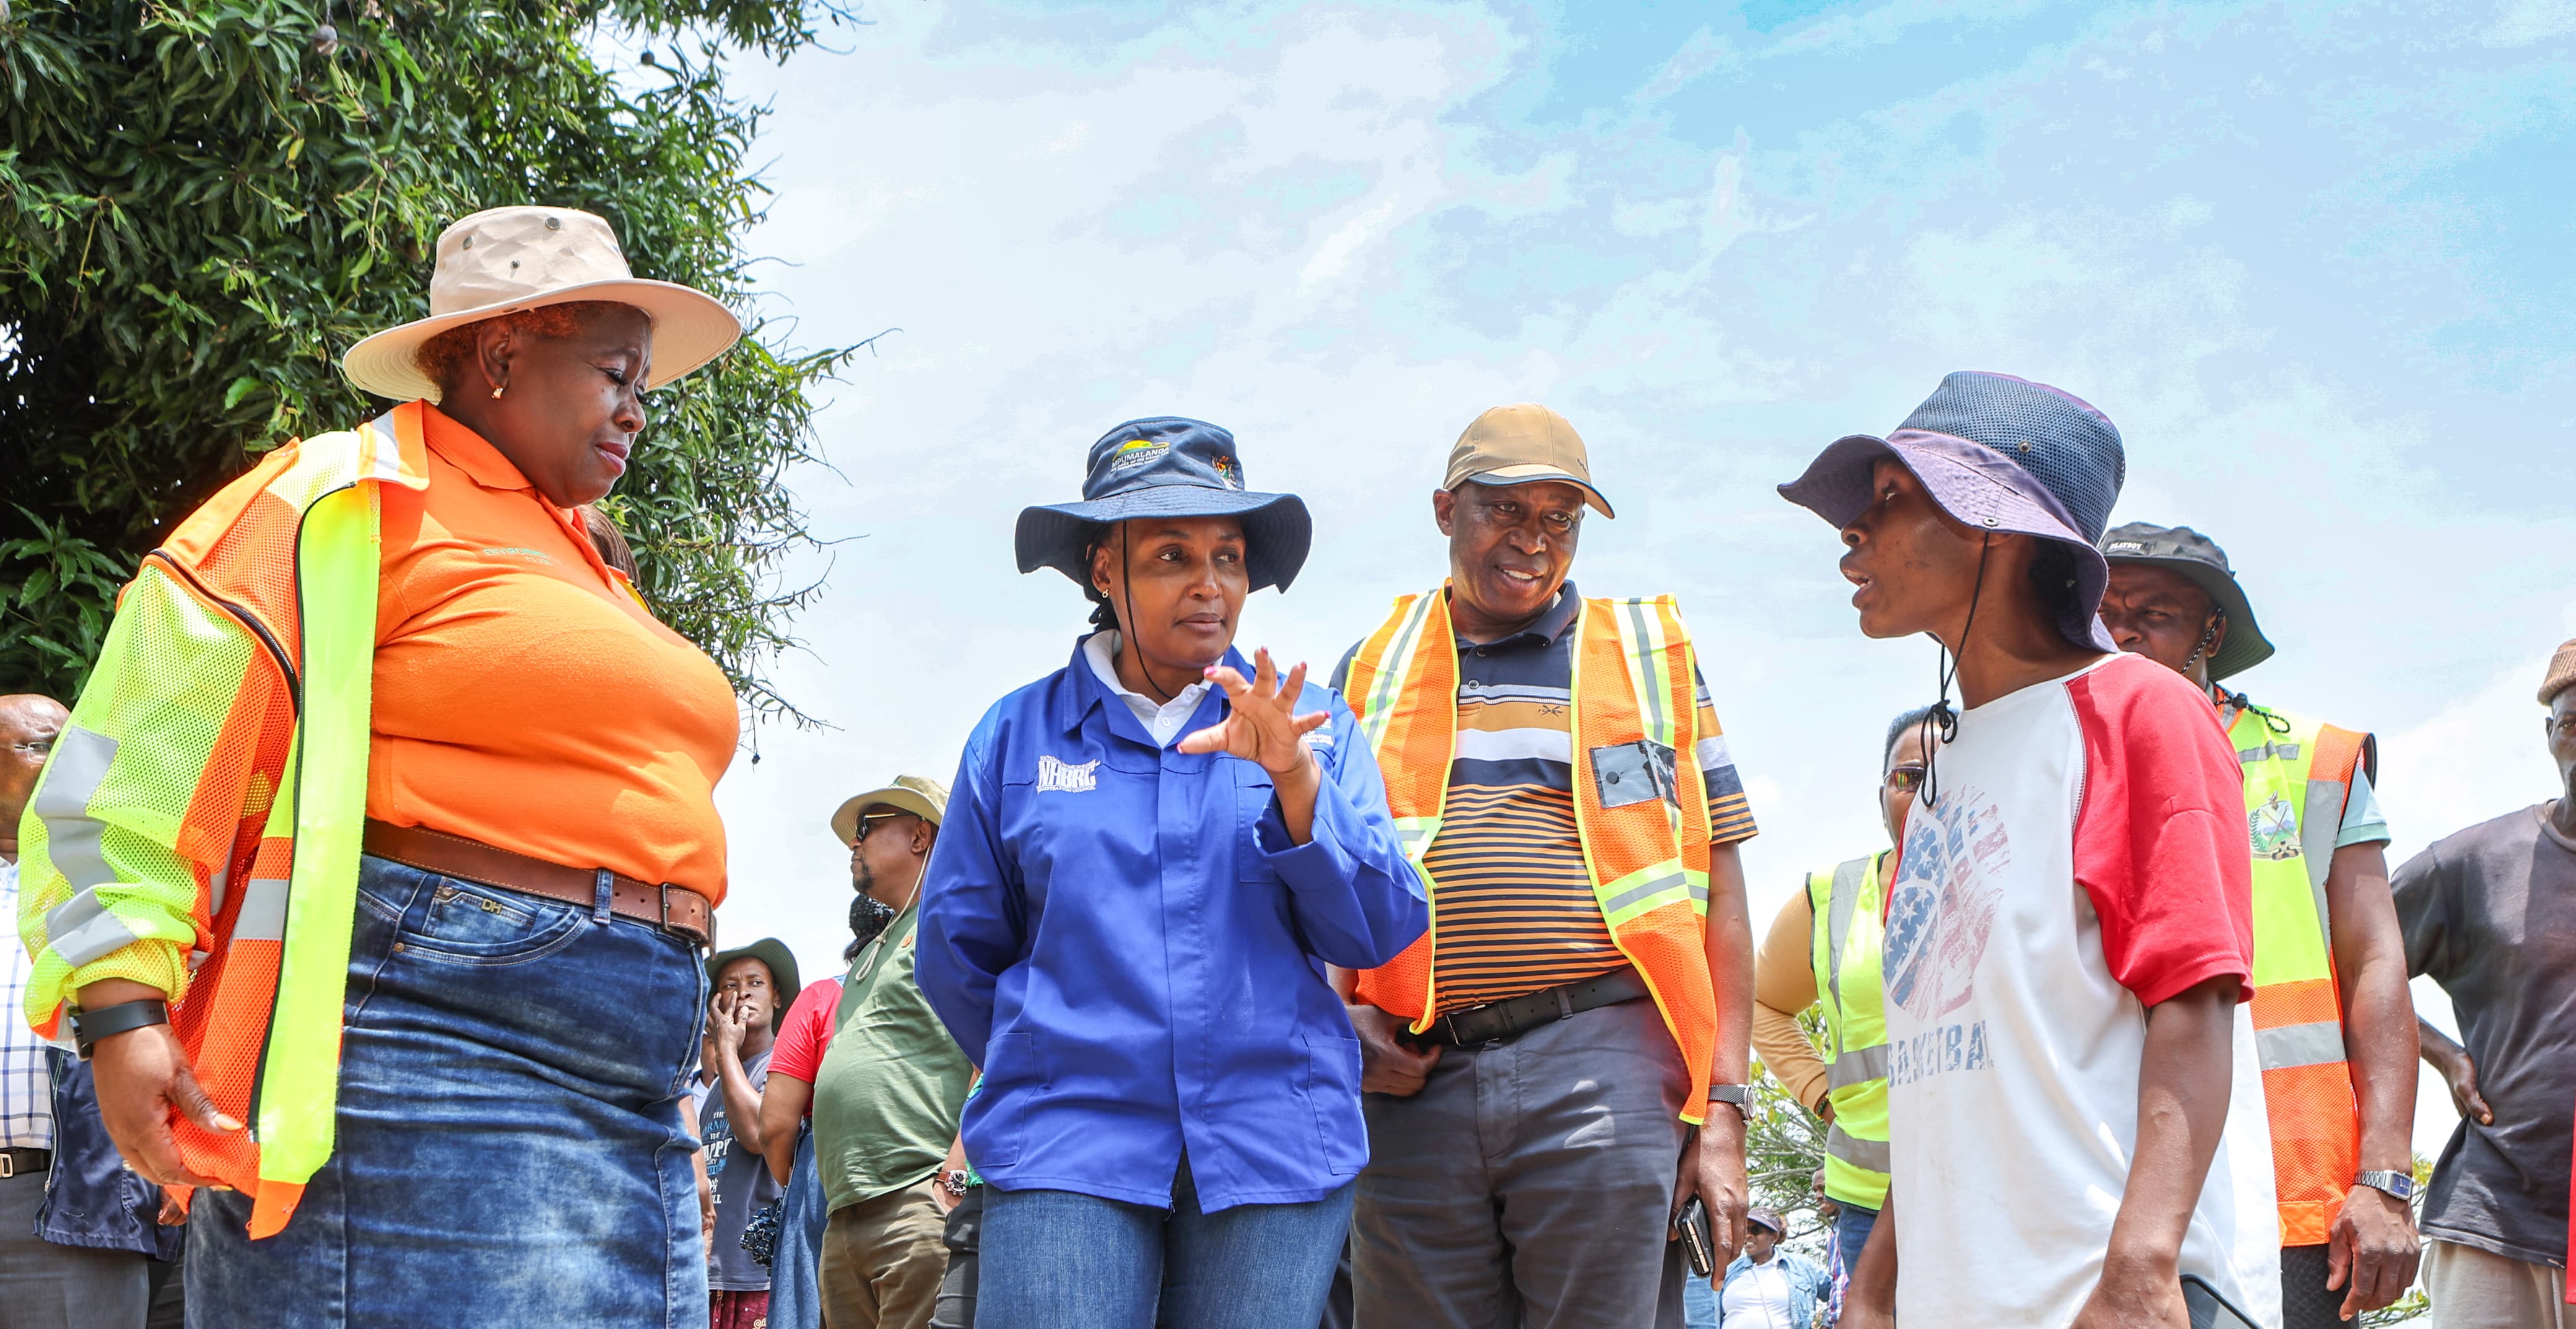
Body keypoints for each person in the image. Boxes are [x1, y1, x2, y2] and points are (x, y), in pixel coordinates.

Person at [12, 204, 743, 1323]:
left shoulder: (593, 561)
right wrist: (120, 1009)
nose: (640, 410)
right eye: (616, 373)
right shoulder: (340, 495)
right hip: (432, 1038)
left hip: (638, 1083)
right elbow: (143, 744)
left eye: (645, 383)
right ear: (501, 354)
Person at [1778, 372, 2279, 1329]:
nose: (1853, 532)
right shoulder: (1944, 774)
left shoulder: (2137, 711)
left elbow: (2195, 1003)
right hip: (1959, 1299)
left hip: (2104, 1295)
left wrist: (2138, 1274)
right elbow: (1948, 1070)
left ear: (1994, 527)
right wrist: (1875, 1291)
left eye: (1892, 497)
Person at [916, 417, 1428, 1329]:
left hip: (1274, 1148)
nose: (1209, 583)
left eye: (1228, 556)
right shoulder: (1015, 737)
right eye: (1170, 555)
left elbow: (1379, 927)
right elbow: (957, 952)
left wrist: (1294, 782)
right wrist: (1049, 1061)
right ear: (1102, 570)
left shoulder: (1312, 728)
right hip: (1067, 1144)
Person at [1337, 403, 1761, 1329]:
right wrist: (1336, 1025)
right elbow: (1323, 876)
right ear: (1445, 510)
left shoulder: (1649, 658)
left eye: (1559, 518)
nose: (1533, 541)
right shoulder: (1370, 669)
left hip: (1603, 1065)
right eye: (1505, 510)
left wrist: (1724, 1110)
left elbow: (1720, 889)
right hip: (1414, 1079)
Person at [2098, 521, 2422, 1325]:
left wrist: (2385, 1178)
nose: (2122, 631)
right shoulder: (2055, 754)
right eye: (2102, 611)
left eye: (2154, 612)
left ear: (2212, 632)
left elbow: (2376, 962)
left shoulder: (2311, 760)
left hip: (2288, 1182)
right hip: (2095, 1168)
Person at [2393, 638, 2576, 1327]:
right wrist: (2445, 1054)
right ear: (2550, 736)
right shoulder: (2472, 864)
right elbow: (2340, 963)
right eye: (2574, 723)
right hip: (2497, 1219)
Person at [759, 775, 968, 1329]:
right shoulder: (875, 950)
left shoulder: (954, 922)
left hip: (917, 1202)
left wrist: (953, 1180)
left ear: (920, 836)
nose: (854, 843)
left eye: (868, 828)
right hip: (846, 1218)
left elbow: (996, 1049)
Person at [0, 693, 177, 1327]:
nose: (62, 760)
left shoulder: (122, 880)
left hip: (76, 1197)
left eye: (71, 744)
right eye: (39, 746)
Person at [1750, 705, 1939, 1279]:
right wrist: (1823, 1097)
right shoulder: (1833, 895)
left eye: (1950, 773)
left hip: (1999, 1188)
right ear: (1881, 796)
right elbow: (1760, 1005)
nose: (1929, 792)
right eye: (1909, 777)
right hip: (1869, 1202)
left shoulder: (2024, 880)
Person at [695, 938, 799, 1329]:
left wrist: (725, 1048)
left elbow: (758, 1134)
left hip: (759, 1273)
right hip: (711, 1270)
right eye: (729, 985)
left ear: (777, 997)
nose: (742, 993)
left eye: (756, 983)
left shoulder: (784, 1065)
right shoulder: (714, 1090)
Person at [1712, 1208, 1830, 1329]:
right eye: (1745, 1230)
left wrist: (1827, 1325)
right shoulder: (1728, 1271)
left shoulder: (1801, 1267)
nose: (1748, 1235)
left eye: (1756, 1230)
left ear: (1774, 1237)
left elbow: (1837, 1294)